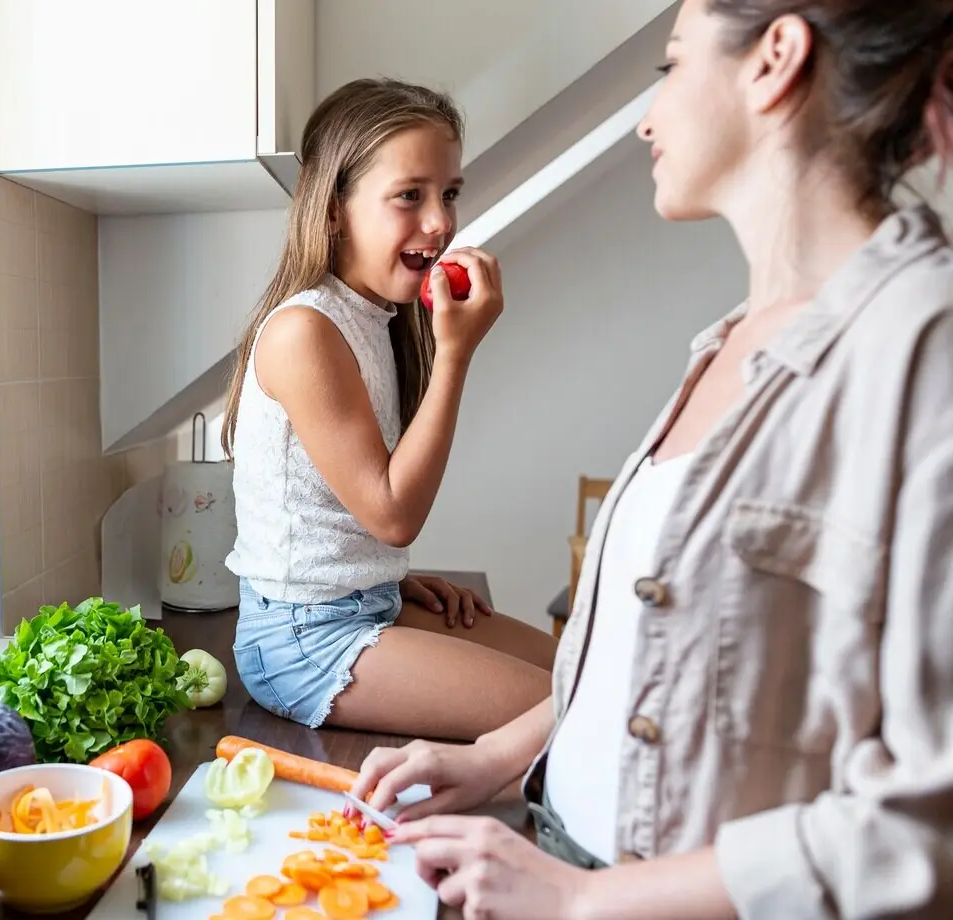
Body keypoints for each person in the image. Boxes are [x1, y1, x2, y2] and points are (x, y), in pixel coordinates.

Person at [349, 1, 953, 917]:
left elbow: (925, 829)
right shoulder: (730, 341)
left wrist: (579, 901)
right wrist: (494, 759)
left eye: (670, 67)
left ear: (775, 59)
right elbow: (652, 661)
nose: (646, 117)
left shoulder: (924, 350)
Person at [221, 77, 559, 742]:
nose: (441, 222)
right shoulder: (304, 331)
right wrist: (455, 354)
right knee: (574, 712)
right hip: (303, 642)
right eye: (410, 195)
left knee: (585, 671)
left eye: (449, 193)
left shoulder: (373, 317)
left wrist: (387, 583)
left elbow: (348, 521)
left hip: (366, 605)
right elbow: (394, 514)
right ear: (334, 210)